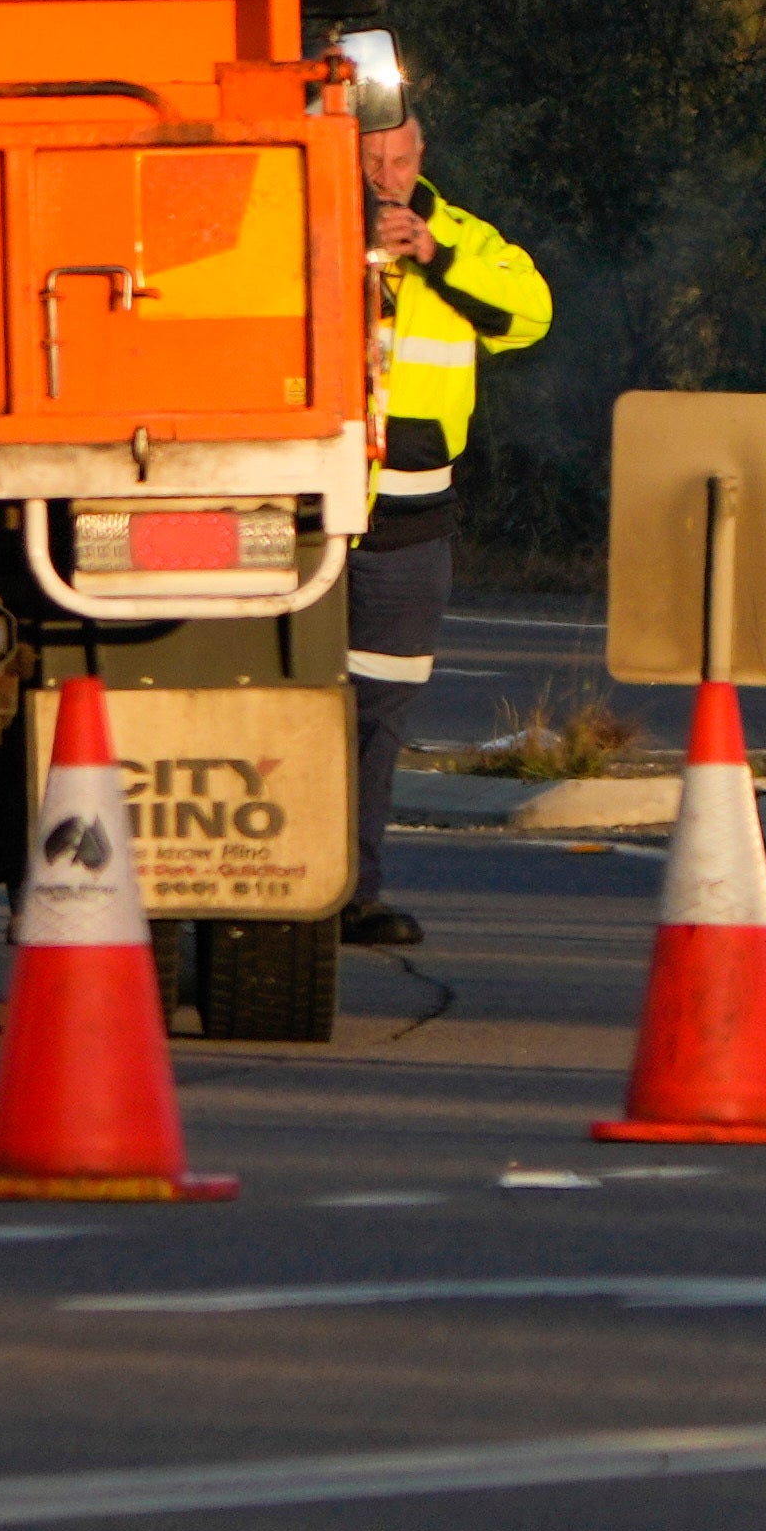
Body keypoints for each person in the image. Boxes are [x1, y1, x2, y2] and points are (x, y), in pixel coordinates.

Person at [339, 100, 549, 952]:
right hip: (304, 507)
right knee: (279, 701)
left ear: (422, 154)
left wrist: (434, 257)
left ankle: (351, 892)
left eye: (398, 160)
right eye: (369, 160)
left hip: (410, 516)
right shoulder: (298, 225)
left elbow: (530, 312)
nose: (385, 177)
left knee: (378, 713)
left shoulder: (464, 236)